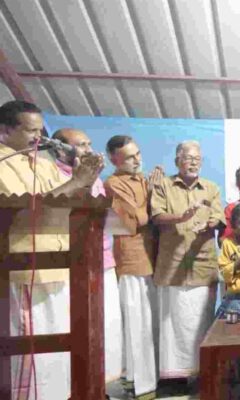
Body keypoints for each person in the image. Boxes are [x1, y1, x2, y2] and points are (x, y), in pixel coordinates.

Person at [0, 100, 103, 399]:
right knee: (32, 353)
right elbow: (24, 211)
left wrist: (85, 182)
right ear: (5, 130)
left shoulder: (43, 164)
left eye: (40, 130)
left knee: (58, 355)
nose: (38, 138)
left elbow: (69, 200)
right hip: (25, 268)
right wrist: (75, 183)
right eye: (30, 131)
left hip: (61, 264)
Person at [51, 128, 125, 385]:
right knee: (76, 328)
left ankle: (100, 385)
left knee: (107, 326)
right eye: (81, 145)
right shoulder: (53, 175)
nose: (89, 150)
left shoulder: (95, 178)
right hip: (70, 265)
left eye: (89, 144)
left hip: (102, 260)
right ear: (60, 149)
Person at [151, 140, 225, 383]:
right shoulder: (163, 185)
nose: (193, 163)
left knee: (201, 322)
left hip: (202, 265)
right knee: (172, 325)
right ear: (177, 161)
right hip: (172, 266)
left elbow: (218, 216)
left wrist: (210, 223)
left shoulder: (211, 188)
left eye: (197, 159)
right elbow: (157, 216)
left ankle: (203, 375)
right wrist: (181, 218)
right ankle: (173, 378)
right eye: (188, 158)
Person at [104, 135, 161, 398]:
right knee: (137, 324)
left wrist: (153, 191)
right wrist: (153, 193)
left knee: (149, 322)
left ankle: (146, 379)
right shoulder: (113, 183)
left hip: (150, 257)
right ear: (113, 159)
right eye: (129, 157)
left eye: (137, 154)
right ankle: (139, 383)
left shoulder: (142, 180)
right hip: (131, 260)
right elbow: (139, 218)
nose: (137, 160)